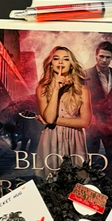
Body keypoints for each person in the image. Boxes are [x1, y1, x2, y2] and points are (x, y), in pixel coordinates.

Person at [36, 46, 92, 177]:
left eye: (66, 59)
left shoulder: (82, 90)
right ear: (51, 64)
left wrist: (53, 120)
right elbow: (49, 118)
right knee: (51, 181)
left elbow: (85, 122)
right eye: (56, 59)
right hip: (51, 140)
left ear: (71, 65)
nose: (61, 62)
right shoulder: (42, 89)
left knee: (78, 181)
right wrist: (56, 89)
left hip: (75, 140)